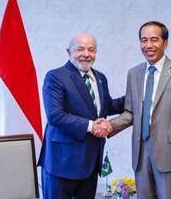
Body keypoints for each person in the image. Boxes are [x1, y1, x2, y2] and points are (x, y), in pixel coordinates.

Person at [104, 21, 171, 199]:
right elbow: (131, 113)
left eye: (154, 40)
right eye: (144, 40)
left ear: (165, 43)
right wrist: (108, 126)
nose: (148, 45)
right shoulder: (134, 73)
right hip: (141, 153)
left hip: (170, 155)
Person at [38, 32, 124, 199]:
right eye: (80, 49)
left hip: (90, 162)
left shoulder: (100, 77)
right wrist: (93, 126)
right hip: (61, 163)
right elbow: (55, 116)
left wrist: (136, 96)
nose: (86, 54)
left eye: (91, 50)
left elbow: (106, 106)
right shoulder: (55, 77)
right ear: (69, 52)